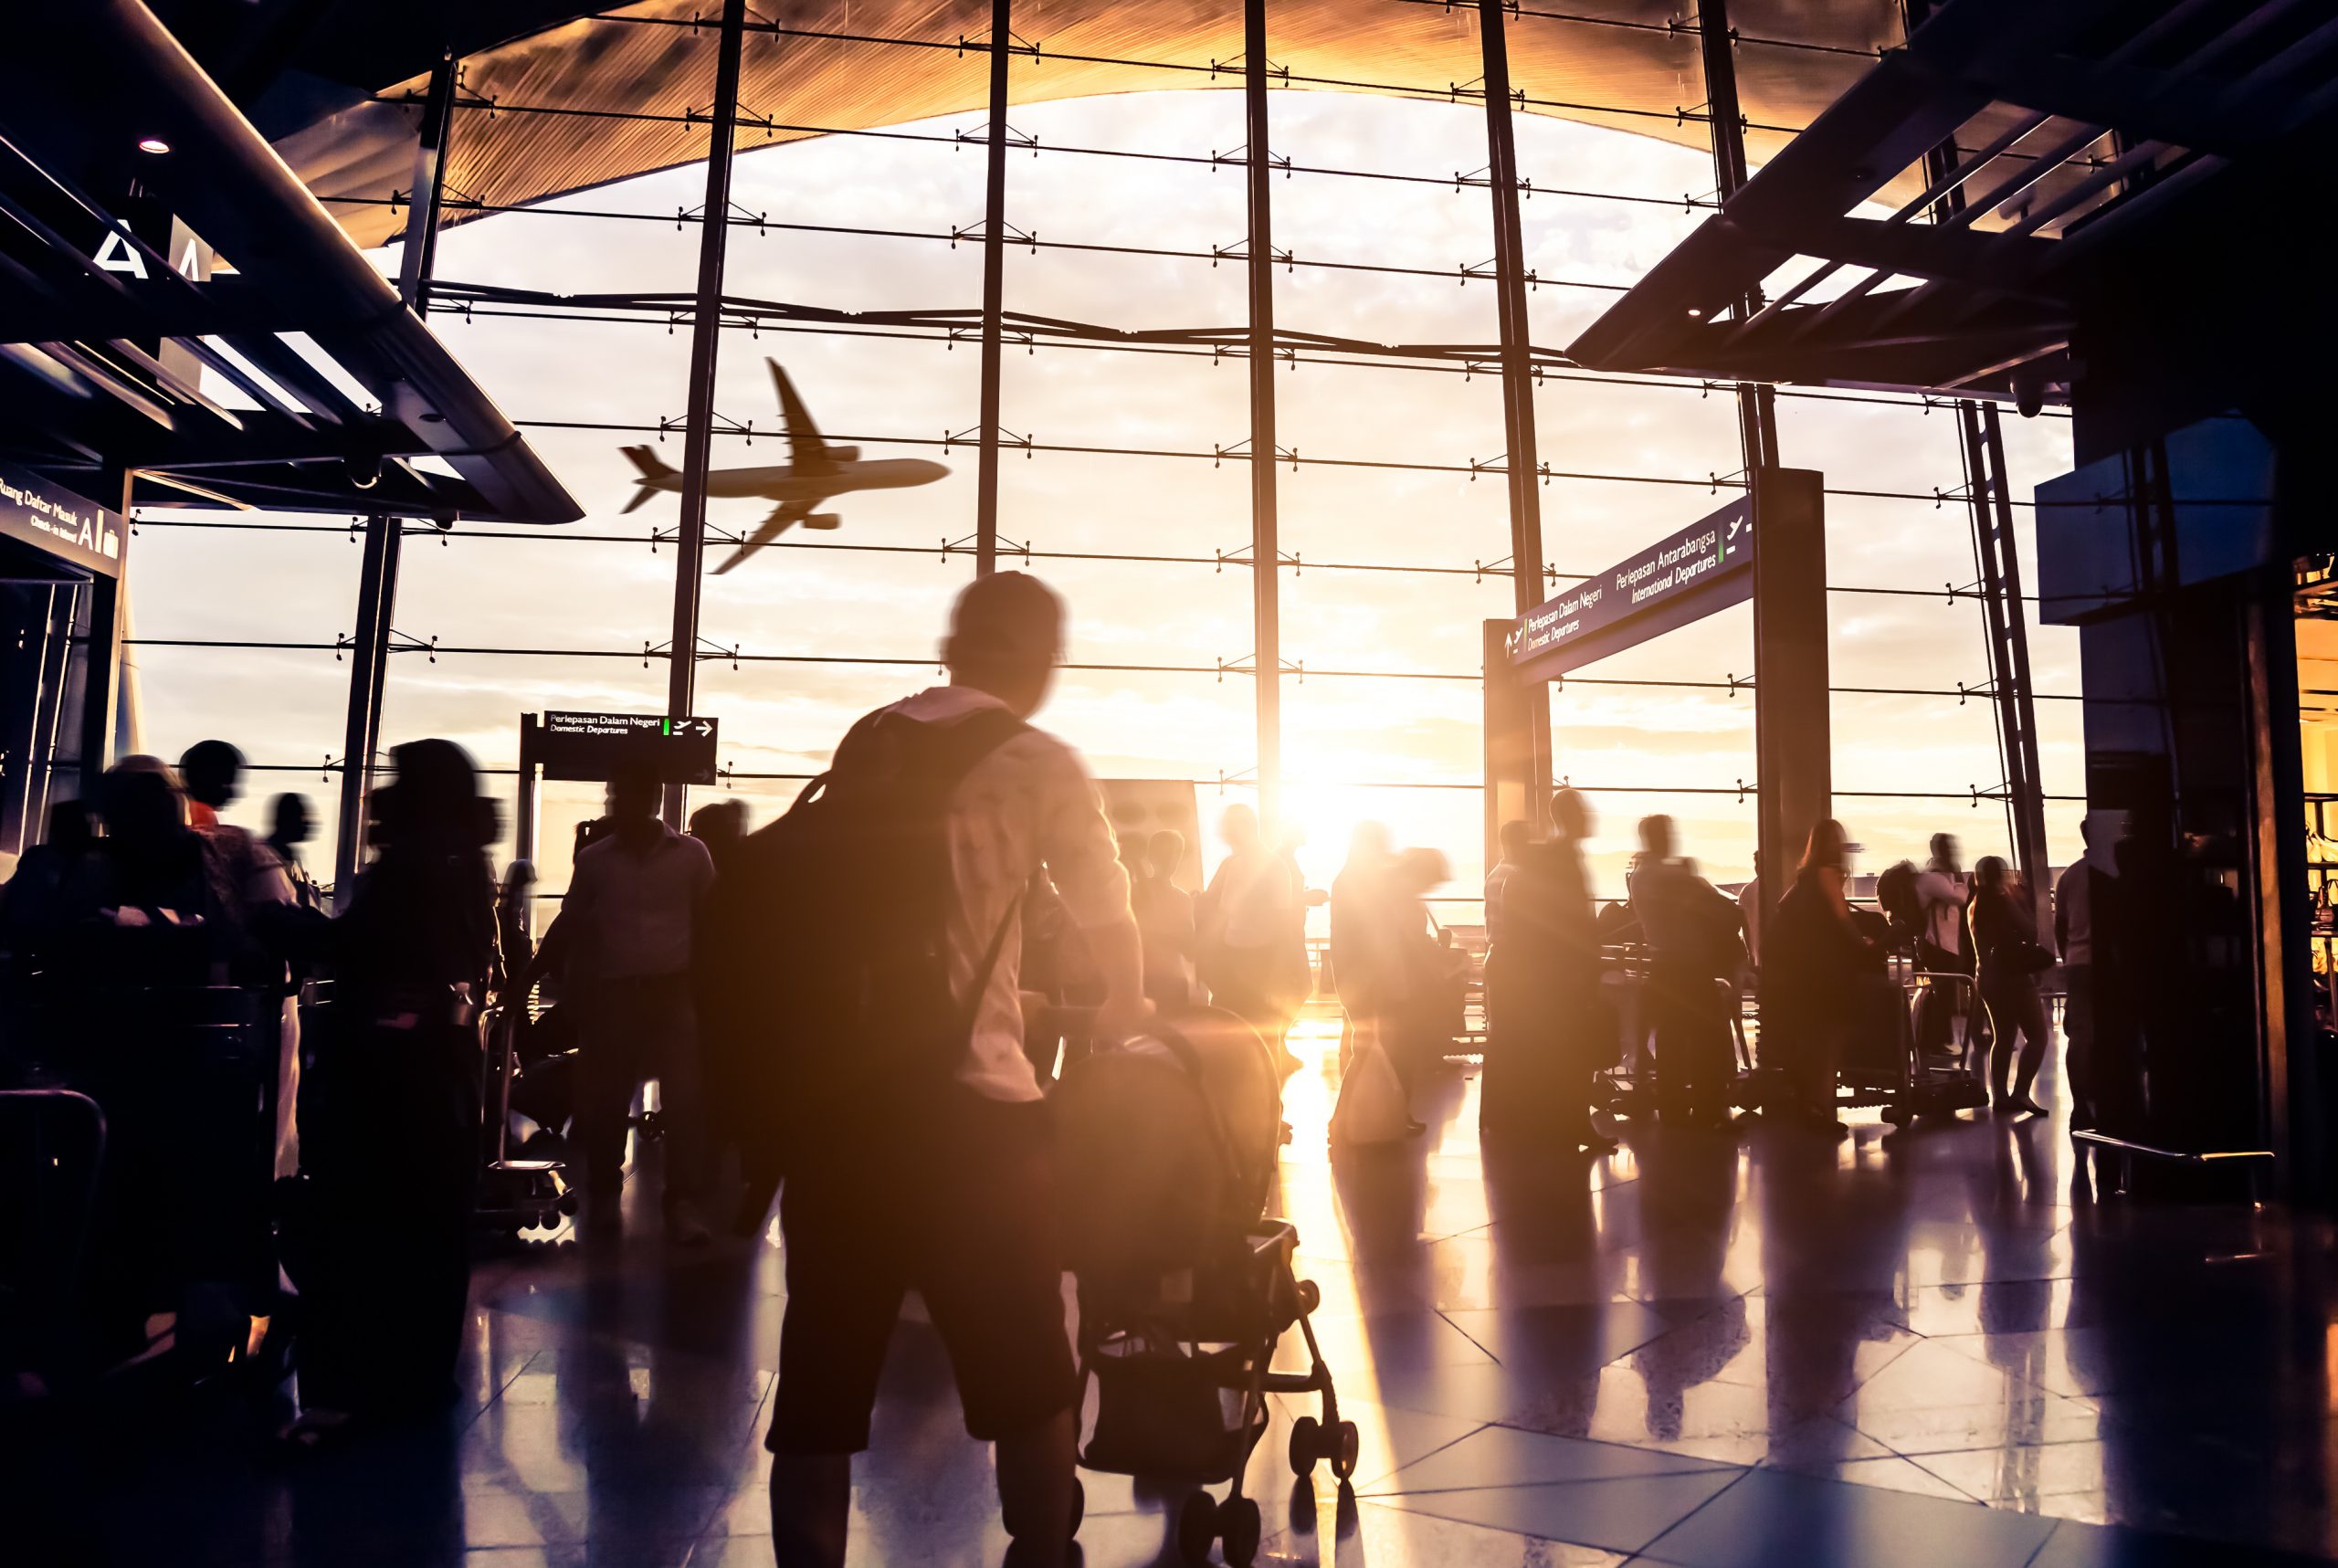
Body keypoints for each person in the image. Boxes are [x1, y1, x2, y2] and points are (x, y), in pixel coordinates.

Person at [768, 572, 1146, 1568]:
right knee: (1030, 1377)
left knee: (818, 1390)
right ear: (1034, 655)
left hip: (839, 1119)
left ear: (953, 641)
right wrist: (1125, 1001)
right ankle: (1040, 1553)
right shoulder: (1038, 759)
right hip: (973, 1119)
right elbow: (1107, 906)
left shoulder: (870, 737)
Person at [288, 739, 500, 1438]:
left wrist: (285, 925)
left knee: (372, 1218)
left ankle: (356, 1387)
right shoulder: (465, 863)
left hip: (391, 1070)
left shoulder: (413, 867)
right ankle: (418, 1380)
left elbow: (365, 945)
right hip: (441, 1067)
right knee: (430, 1226)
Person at [543, 759, 716, 1243]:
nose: (614, 805)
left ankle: (678, 1202)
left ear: (651, 800)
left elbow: (710, 924)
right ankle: (606, 1194)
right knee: (609, 1099)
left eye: (621, 797)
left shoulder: (691, 855)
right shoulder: (595, 859)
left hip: (671, 988)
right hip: (618, 991)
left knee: (682, 1101)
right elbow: (574, 922)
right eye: (612, 797)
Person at [1627, 816, 1744, 1127]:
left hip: (1663, 965)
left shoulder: (1641, 875)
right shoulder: (1667, 875)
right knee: (1708, 1038)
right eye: (1666, 833)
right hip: (1688, 968)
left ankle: (1673, 1110)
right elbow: (1713, 906)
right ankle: (1709, 1111)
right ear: (1657, 837)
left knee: (1671, 1041)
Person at [1762, 820, 1874, 1133]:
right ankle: (1822, 1111)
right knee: (1829, 1047)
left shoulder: (1802, 879)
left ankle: (1810, 1106)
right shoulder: (1826, 873)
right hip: (1828, 974)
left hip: (1805, 974)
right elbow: (1842, 918)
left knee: (1812, 1043)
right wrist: (1865, 943)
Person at [1197, 804, 1306, 1060]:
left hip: (1258, 962)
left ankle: (1265, 1093)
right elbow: (1226, 915)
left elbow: (1281, 921)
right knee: (1242, 1033)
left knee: (1258, 1035)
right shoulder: (1237, 865)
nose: (1226, 838)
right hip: (1239, 961)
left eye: (1229, 832)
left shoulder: (1273, 867)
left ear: (1244, 830)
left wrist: (1284, 968)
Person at [2054, 814, 2119, 1131]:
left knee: (2079, 1037)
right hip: (2113, 964)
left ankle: (2080, 1107)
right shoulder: (2115, 872)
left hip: (2079, 963)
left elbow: (2060, 925)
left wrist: (2069, 957)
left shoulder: (2069, 876)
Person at [1972, 856, 2050, 1116]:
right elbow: (2031, 932)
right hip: (2013, 978)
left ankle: (2001, 1097)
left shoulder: (1975, 906)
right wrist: (2017, 899)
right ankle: (2021, 1093)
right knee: (2037, 1037)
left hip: (1987, 977)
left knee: (2003, 1038)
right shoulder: (2003, 902)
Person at [1132, 827, 1196, 1010]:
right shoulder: (1182, 900)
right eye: (1168, 854)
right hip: (1169, 980)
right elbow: (1190, 951)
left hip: (1143, 980)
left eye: (1174, 854)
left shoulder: (1132, 892)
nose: (1171, 860)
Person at [267, 793, 325, 910]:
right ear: (289, 820)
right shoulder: (273, 857)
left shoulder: (288, 855)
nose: (308, 823)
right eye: (302, 817)